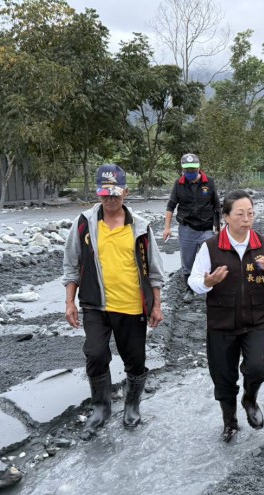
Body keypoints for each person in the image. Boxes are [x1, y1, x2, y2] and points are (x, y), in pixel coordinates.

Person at [63, 164, 165, 433]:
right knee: (95, 354)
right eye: (105, 193)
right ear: (98, 193)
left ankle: (132, 405)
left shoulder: (140, 227)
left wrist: (156, 303)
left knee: (135, 360)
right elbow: (71, 265)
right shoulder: (84, 223)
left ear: (125, 192)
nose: (110, 198)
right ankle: (101, 407)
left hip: (132, 306)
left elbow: (154, 269)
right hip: (95, 304)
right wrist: (69, 302)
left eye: (116, 193)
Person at [188, 190, 264, 442]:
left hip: (257, 320)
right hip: (221, 322)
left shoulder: (263, 245)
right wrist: (208, 281)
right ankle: (229, 421)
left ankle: (250, 398)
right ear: (226, 217)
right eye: (240, 214)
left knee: (257, 366)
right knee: (223, 375)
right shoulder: (210, 247)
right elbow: (194, 280)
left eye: (250, 214)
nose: (247, 219)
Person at [163, 152, 221, 303]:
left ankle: (210, 287)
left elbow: (217, 206)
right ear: (182, 170)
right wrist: (167, 227)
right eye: (187, 170)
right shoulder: (179, 184)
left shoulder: (209, 183)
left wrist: (219, 226)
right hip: (187, 228)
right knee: (187, 261)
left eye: (192, 170)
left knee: (210, 257)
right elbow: (170, 206)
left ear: (199, 168)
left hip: (207, 228)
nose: (190, 173)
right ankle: (190, 289)